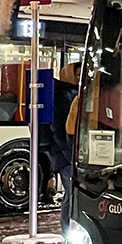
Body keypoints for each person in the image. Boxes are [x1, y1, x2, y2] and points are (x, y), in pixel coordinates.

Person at [51, 63, 80, 228]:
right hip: (65, 156)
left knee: (71, 196)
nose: (78, 78)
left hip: (67, 155)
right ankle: (67, 232)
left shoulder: (72, 93)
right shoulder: (63, 96)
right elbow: (60, 130)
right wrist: (70, 152)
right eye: (75, 74)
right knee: (72, 195)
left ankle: (68, 232)